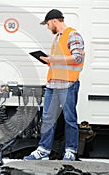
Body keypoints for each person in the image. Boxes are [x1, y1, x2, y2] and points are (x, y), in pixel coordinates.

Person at [24, 9, 85, 161]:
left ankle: (70, 151)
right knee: (47, 119)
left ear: (55, 21)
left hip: (68, 85)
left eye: (48, 24)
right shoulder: (58, 38)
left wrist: (54, 59)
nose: (47, 27)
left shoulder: (73, 35)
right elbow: (60, 61)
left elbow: (77, 58)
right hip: (53, 85)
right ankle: (43, 150)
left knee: (69, 119)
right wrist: (49, 61)